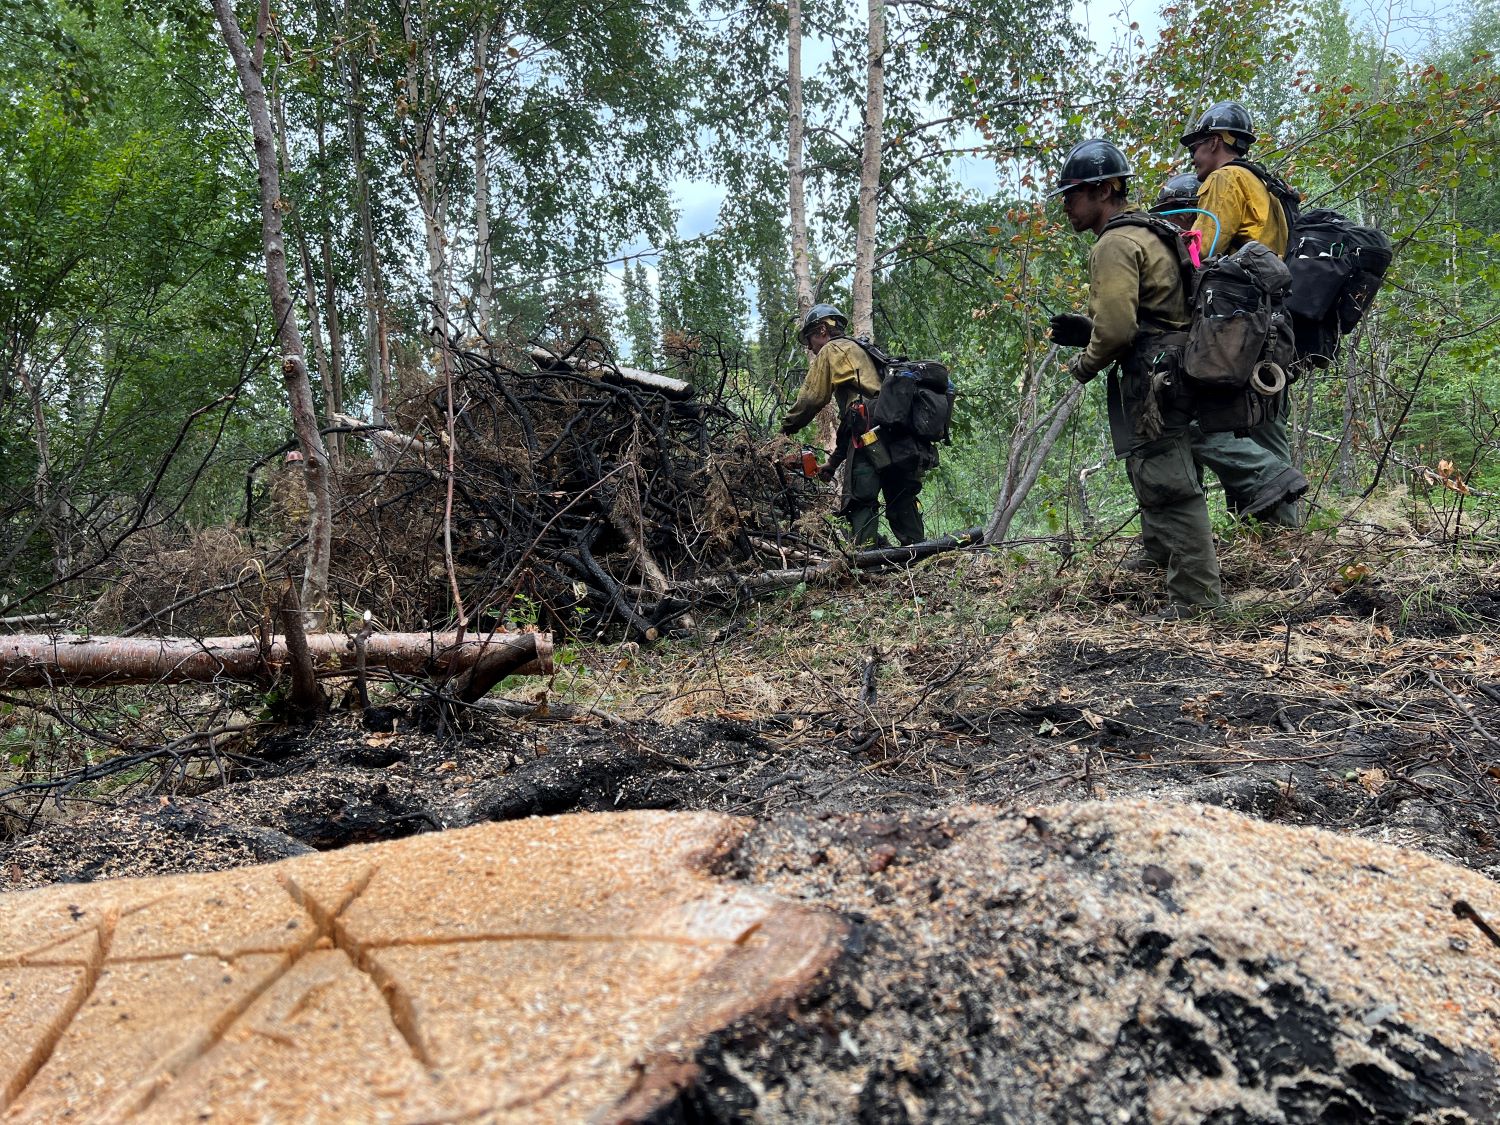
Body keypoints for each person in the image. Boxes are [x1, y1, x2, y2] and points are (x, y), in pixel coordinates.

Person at [1048, 140, 1222, 617]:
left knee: (1168, 479)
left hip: (1156, 376)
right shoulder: (1152, 230)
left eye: (1073, 194)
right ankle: (1164, 563)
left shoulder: (1115, 243)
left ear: (1104, 189)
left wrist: (1084, 363)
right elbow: (1152, 312)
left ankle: (1197, 601)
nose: (1066, 205)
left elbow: (1119, 331)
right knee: (1160, 471)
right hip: (1177, 366)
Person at [1181, 100, 1307, 525]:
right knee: (1267, 420)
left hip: (1236, 324)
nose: (1194, 157)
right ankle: (1286, 540)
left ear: (1216, 142)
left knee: (1198, 427)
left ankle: (1273, 479)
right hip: (1274, 321)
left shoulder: (1227, 178)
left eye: (1197, 146)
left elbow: (1202, 251)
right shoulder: (1267, 185)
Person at [779, 303, 927, 546]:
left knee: (861, 497)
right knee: (901, 495)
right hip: (895, 428)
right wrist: (834, 461)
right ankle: (919, 556)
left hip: (870, 429)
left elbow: (812, 398)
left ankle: (867, 565)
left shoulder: (832, 349)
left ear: (822, 331)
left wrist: (786, 429)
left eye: (809, 339)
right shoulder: (865, 351)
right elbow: (853, 421)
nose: (810, 347)